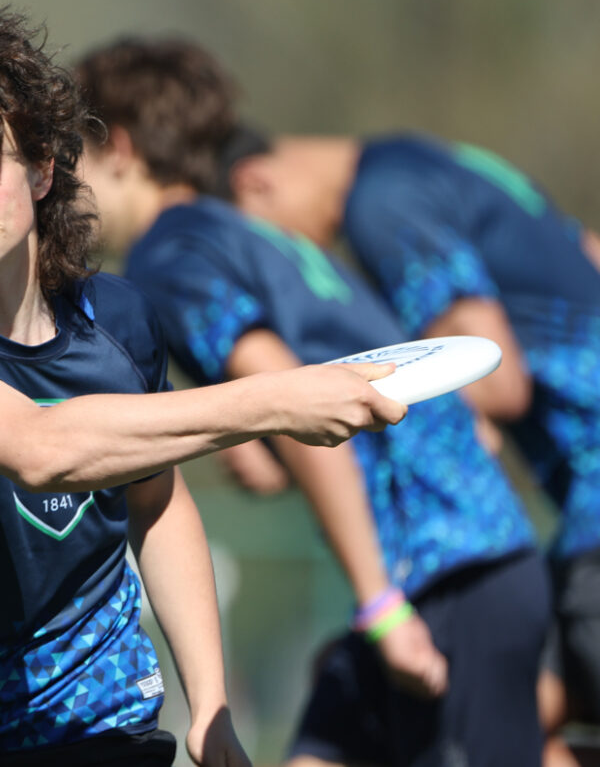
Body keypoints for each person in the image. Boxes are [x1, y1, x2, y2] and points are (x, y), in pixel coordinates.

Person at [0, 8, 409, 767]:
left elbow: (156, 503)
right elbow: (38, 448)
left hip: (91, 732)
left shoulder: (120, 322)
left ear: (43, 168)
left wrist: (211, 702)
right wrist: (279, 402)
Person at [72, 35, 547, 767]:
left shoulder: (169, 257)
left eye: (68, 158)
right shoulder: (253, 236)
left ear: (120, 147)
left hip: (447, 573)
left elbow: (291, 398)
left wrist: (381, 608)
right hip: (467, 550)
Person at [216, 116, 600, 764]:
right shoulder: (433, 160)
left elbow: (498, 379)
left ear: (257, 184)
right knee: (507, 716)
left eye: (267, 247)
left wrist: (328, 414)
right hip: (580, 531)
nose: (293, 268)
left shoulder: (381, 202)